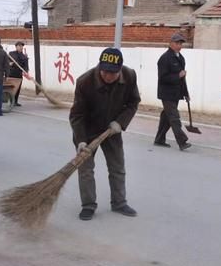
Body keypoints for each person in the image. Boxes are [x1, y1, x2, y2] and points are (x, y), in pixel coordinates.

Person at [70, 48, 140, 221]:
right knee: (85, 169)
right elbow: (77, 115)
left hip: (112, 129)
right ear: (100, 66)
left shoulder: (129, 76)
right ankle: (88, 205)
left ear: (120, 69)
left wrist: (121, 122)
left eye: (113, 72)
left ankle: (119, 202)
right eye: (105, 71)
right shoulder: (85, 81)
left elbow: (133, 102)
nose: (108, 76)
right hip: (87, 130)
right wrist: (81, 141)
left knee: (117, 167)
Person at [154, 33, 191, 151]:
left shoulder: (180, 58)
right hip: (166, 93)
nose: (179, 45)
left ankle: (159, 139)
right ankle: (182, 141)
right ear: (171, 43)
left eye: (181, 43)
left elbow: (182, 79)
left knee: (167, 117)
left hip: (176, 93)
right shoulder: (165, 58)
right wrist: (178, 75)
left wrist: (186, 93)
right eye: (177, 43)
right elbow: (163, 78)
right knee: (174, 117)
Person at [8, 41, 29, 107]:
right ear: (16, 47)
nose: (20, 47)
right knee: (11, 88)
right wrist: (9, 63)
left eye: (21, 46)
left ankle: (15, 101)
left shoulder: (24, 56)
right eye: (19, 46)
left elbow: (26, 66)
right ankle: (10, 100)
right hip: (11, 73)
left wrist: (26, 71)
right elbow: (6, 60)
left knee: (18, 88)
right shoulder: (11, 54)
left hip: (19, 74)